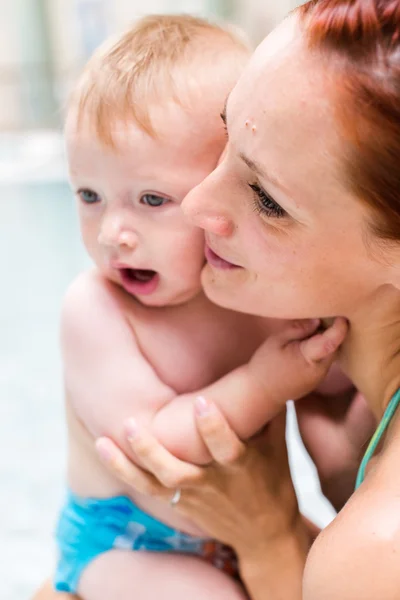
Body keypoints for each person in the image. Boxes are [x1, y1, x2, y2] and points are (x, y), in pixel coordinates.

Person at [40, 0, 400, 598]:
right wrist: (335, 478)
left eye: (265, 198)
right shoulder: (106, 306)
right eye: (226, 137)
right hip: (128, 539)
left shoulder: (371, 551)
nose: (200, 206)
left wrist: (272, 543)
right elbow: (142, 444)